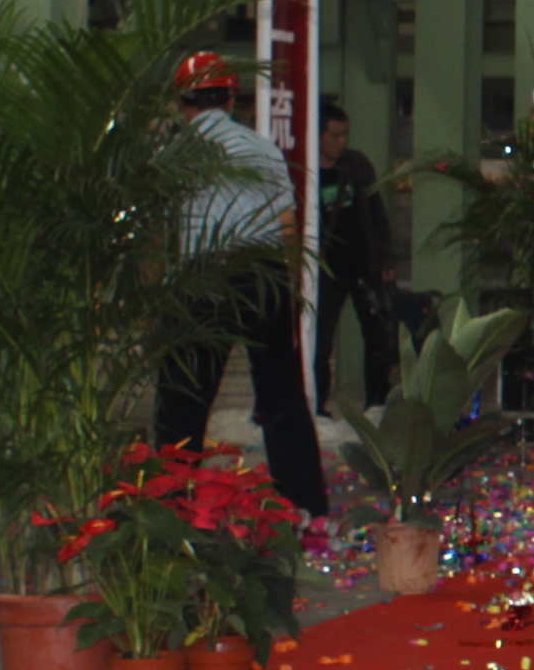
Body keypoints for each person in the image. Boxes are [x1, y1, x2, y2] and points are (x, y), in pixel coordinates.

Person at [153, 52, 328, 518]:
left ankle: (169, 506)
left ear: (181, 100)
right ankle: (304, 503)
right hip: (263, 277)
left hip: (203, 280)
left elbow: (159, 234)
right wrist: (285, 288)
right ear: (232, 97)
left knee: (183, 401)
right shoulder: (263, 149)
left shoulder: (175, 155)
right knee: (282, 398)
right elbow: (287, 224)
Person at [313, 98, 398, 410]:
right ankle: (317, 404)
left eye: (344, 134)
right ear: (318, 135)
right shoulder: (306, 170)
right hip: (326, 270)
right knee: (319, 343)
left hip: (363, 265)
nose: (341, 142)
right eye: (334, 135)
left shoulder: (356, 165)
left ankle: (377, 403)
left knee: (379, 336)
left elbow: (377, 215)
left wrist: (385, 260)